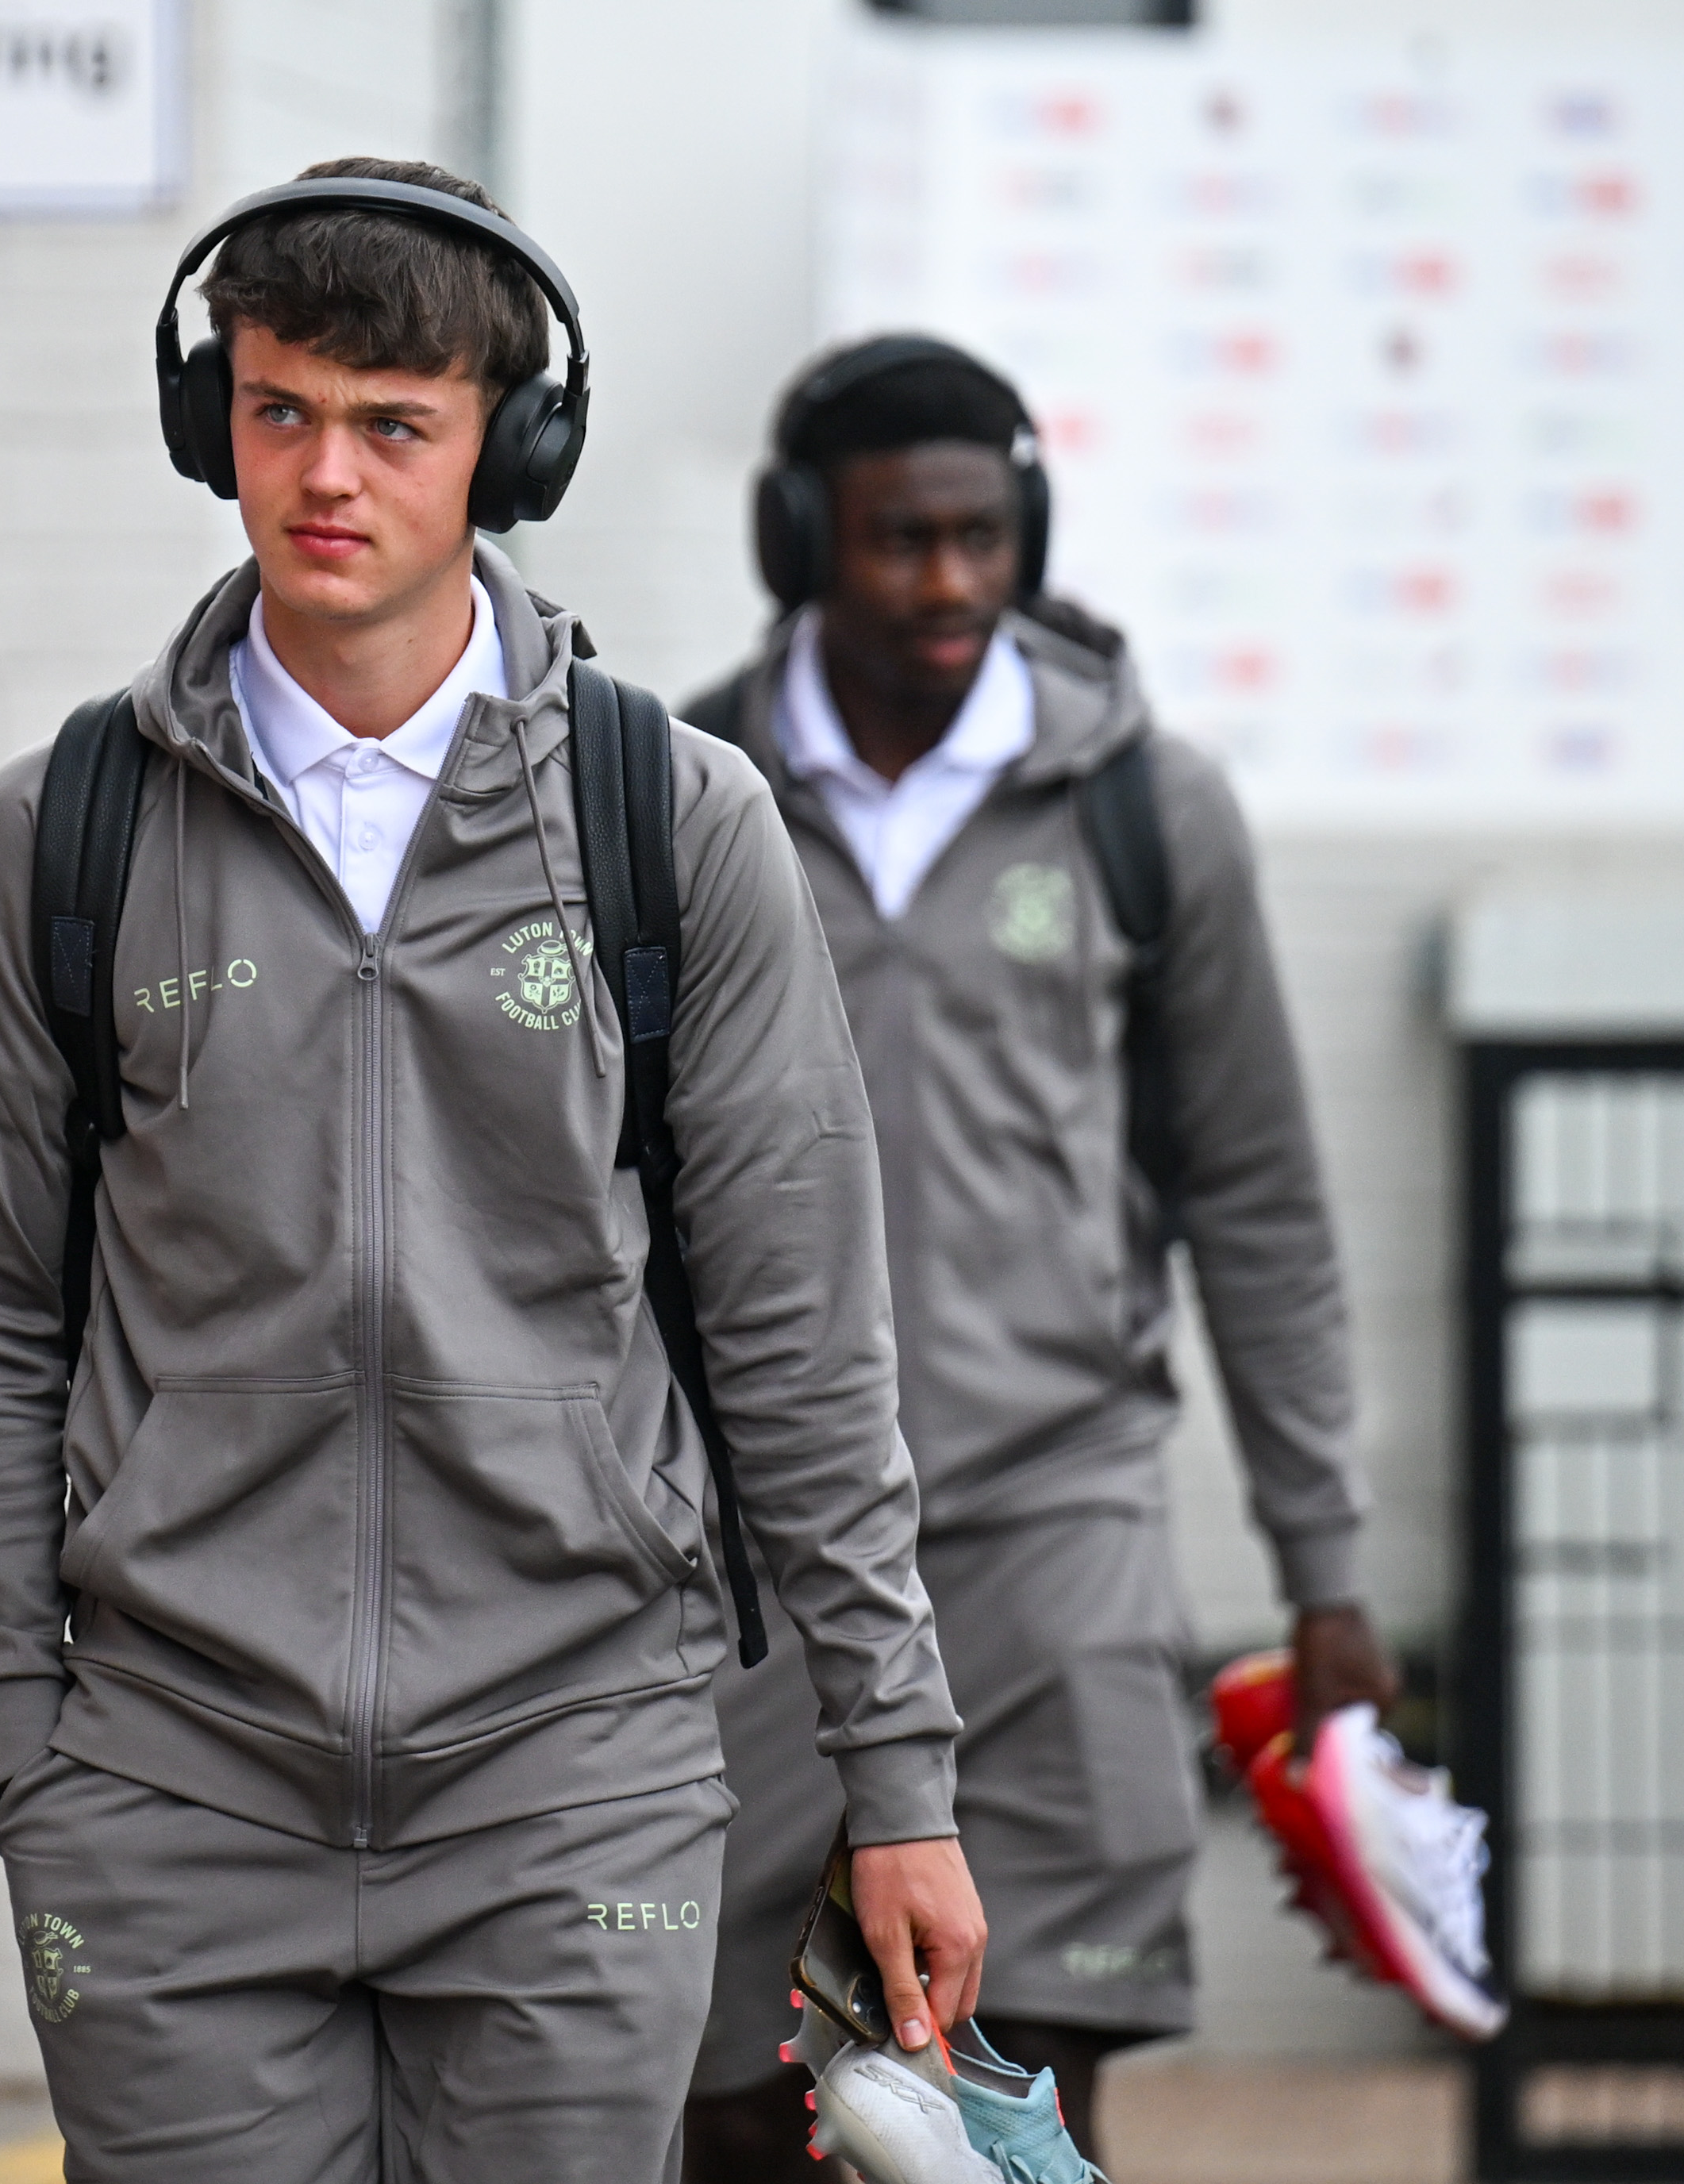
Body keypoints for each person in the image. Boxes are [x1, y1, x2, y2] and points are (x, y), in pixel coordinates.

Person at [0, 163, 982, 2184]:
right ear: (209, 414)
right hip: (164, 1795)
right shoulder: (59, 832)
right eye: (281, 406)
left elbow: (802, 1336)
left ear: (510, 447)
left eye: (396, 422)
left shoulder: (674, 821)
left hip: (579, 1783)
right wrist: (23, 1743)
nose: (328, 473)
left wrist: (895, 1770)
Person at [675, 338, 1398, 2177]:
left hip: (1055, 1523)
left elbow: (1257, 1197)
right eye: (902, 541)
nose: (949, 584)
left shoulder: (1145, 812)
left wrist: (1323, 1564)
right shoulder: (670, 798)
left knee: (1026, 2085)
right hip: (752, 1551)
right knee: (745, 2090)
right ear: (798, 545)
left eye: (984, 537)